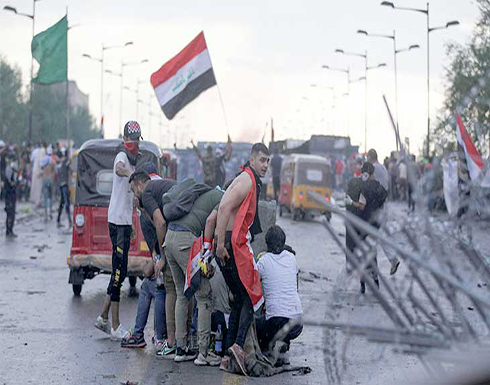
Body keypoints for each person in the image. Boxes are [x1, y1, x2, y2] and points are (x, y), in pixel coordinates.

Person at [215, 142, 270, 375]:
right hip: (231, 244)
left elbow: (215, 214)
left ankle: (228, 355)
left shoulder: (243, 178)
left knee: (239, 298)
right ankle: (237, 345)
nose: (265, 165)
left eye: (268, 161)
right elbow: (224, 207)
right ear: (252, 159)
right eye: (262, 160)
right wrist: (219, 245)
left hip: (227, 242)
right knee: (250, 293)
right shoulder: (247, 180)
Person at [164, 187, 224, 363]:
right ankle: (203, 353)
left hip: (170, 238)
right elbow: (211, 224)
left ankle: (181, 350)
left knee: (182, 294)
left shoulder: (209, 194)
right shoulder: (224, 198)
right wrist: (208, 259)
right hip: (185, 241)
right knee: (204, 295)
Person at [95, 120, 142, 341]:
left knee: (120, 271)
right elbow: (119, 169)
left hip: (123, 222)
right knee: (117, 272)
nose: (134, 144)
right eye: (131, 140)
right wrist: (130, 175)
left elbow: (129, 199)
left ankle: (103, 317)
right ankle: (115, 325)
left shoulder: (134, 159)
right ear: (125, 140)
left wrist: (132, 224)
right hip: (116, 222)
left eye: (136, 140)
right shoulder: (122, 157)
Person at [256, 225, 303, 366]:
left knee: (256, 323)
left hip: (275, 321)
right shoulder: (291, 258)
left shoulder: (263, 261)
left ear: (267, 243)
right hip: (297, 324)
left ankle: (267, 351)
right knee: (285, 319)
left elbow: (253, 282)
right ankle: (283, 349)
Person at [367, 149, 400, 275]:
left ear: (370, 157)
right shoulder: (383, 168)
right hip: (384, 204)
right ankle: (392, 260)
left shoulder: (373, 169)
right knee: (380, 234)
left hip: (376, 207)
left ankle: (372, 270)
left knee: (372, 235)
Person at [4, 151, 19, 238]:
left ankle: (10, 230)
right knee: (10, 212)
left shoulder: (11, 169)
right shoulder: (9, 169)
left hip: (11, 194)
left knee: (11, 213)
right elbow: (11, 182)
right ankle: (8, 230)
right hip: (9, 194)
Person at [56, 148, 72, 228]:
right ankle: (69, 221)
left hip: (61, 184)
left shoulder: (59, 164)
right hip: (64, 185)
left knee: (62, 203)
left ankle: (58, 220)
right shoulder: (65, 163)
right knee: (66, 203)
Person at [41, 146, 55, 222]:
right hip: (50, 180)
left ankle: (46, 214)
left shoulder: (44, 161)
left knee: (45, 198)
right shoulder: (52, 161)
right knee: (51, 197)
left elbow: (41, 168)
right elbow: (54, 172)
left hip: (45, 180)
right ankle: (50, 213)